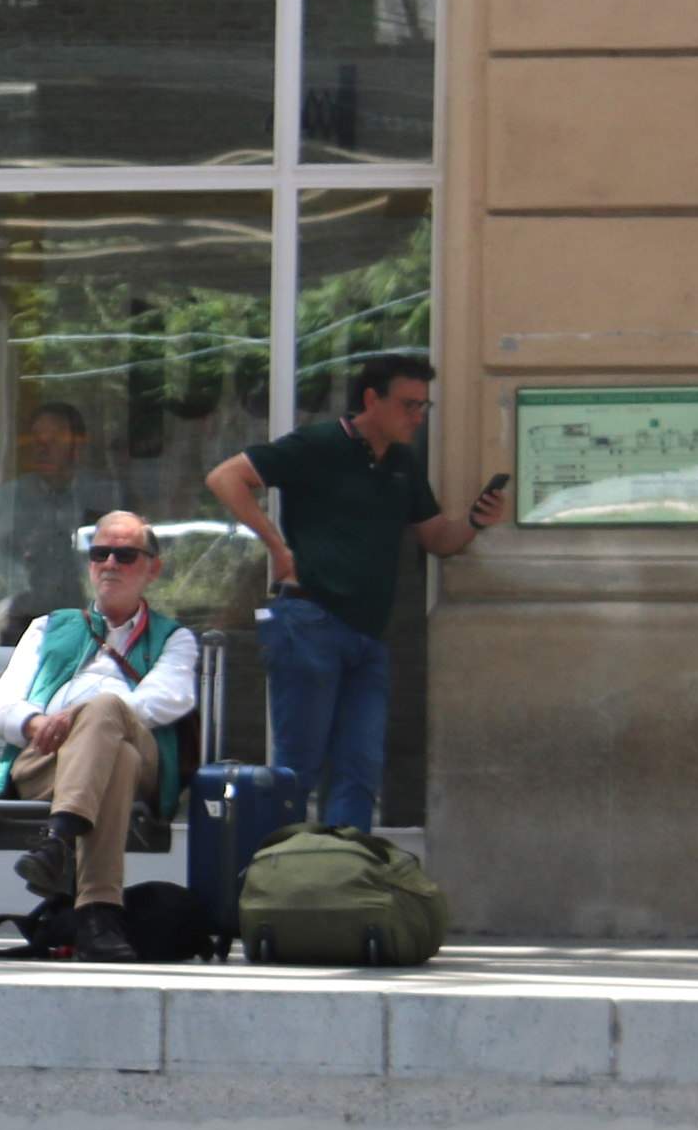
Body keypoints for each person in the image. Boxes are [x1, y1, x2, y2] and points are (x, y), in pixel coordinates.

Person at [204, 354, 504, 831]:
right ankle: (280, 884)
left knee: (359, 772)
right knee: (296, 772)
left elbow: (436, 539)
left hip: (368, 637)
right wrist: (277, 547)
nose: (416, 417)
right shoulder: (320, 443)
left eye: (423, 406)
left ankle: (345, 884)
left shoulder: (402, 463)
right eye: (408, 404)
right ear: (371, 399)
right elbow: (225, 477)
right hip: (310, 622)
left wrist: (474, 521)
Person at [0, 509, 202, 962]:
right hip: (49, 760)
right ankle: (98, 915)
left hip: (143, 758)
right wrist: (36, 723)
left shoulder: (174, 638)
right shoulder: (47, 628)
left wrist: (84, 713)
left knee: (110, 715)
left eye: (125, 555)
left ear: (152, 568)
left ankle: (58, 839)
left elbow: (168, 699)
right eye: (100, 553)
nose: (110, 564)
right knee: (114, 759)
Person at [0, 401, 119, 643]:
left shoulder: (102, 496)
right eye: (36, 439)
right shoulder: (11, 498)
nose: (42, 447)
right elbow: (3, 567)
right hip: (25, 616)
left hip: (93, 614)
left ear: (76, 446)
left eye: (54, 439)